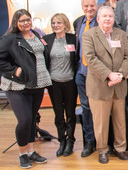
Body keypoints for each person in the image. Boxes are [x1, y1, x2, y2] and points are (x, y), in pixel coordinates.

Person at [0, 9, 52, 168]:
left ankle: (31, 151)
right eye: (22, 20)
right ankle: (22, 154)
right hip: (17, 86)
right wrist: (14, 70)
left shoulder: (36, 35)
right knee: (24, 120)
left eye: (28, 19)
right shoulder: (10, 39)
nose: (25, 23)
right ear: (16, 22)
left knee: (31, 121)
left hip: (36, 84)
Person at [82, 6, 128, 164]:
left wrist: (120, 75)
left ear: (114, 19)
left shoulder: (121, 34)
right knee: (101, 122)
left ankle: (120, 148)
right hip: (99, 86)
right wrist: (109, 75)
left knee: (119, 120)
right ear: (98, 19)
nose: (107, 19)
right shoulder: (89, 35)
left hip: (119, 85)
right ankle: (102, 150)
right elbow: (90, 59)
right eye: (104, 16)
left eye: (110, 16)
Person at [43, 13, 78, 157]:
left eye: (59, 22)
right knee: (58, 114)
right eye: (53, 23)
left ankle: (70, 141)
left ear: (65, 24)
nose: (56, 25)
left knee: (70, 113)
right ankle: (61, 140)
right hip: (54, 83)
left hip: (70, 82)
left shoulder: (72, 39)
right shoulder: (46, 40)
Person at [73, 0, 98, 158]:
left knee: (100, 109)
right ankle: (89, 141)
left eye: (92, 6)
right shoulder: (78, 22)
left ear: (97, 5)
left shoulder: (103, 21)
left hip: (98, 75)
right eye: (86, 6)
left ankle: (103, 141)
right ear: (82, 7)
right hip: (82, 73)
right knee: (86, 108)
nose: (89, 9)